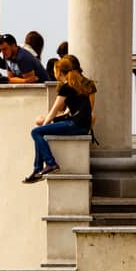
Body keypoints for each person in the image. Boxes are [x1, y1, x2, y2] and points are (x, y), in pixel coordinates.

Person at [23, 55, 97, 183]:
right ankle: (37, 170)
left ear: (59, 72)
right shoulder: (77, 83)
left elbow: (54, 110)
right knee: (41, 132)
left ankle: (49, 164)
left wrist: (43, 126)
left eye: (54, 70)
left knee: (36, 132)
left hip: (75, 125)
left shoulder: (66, 87)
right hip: (82, 126)